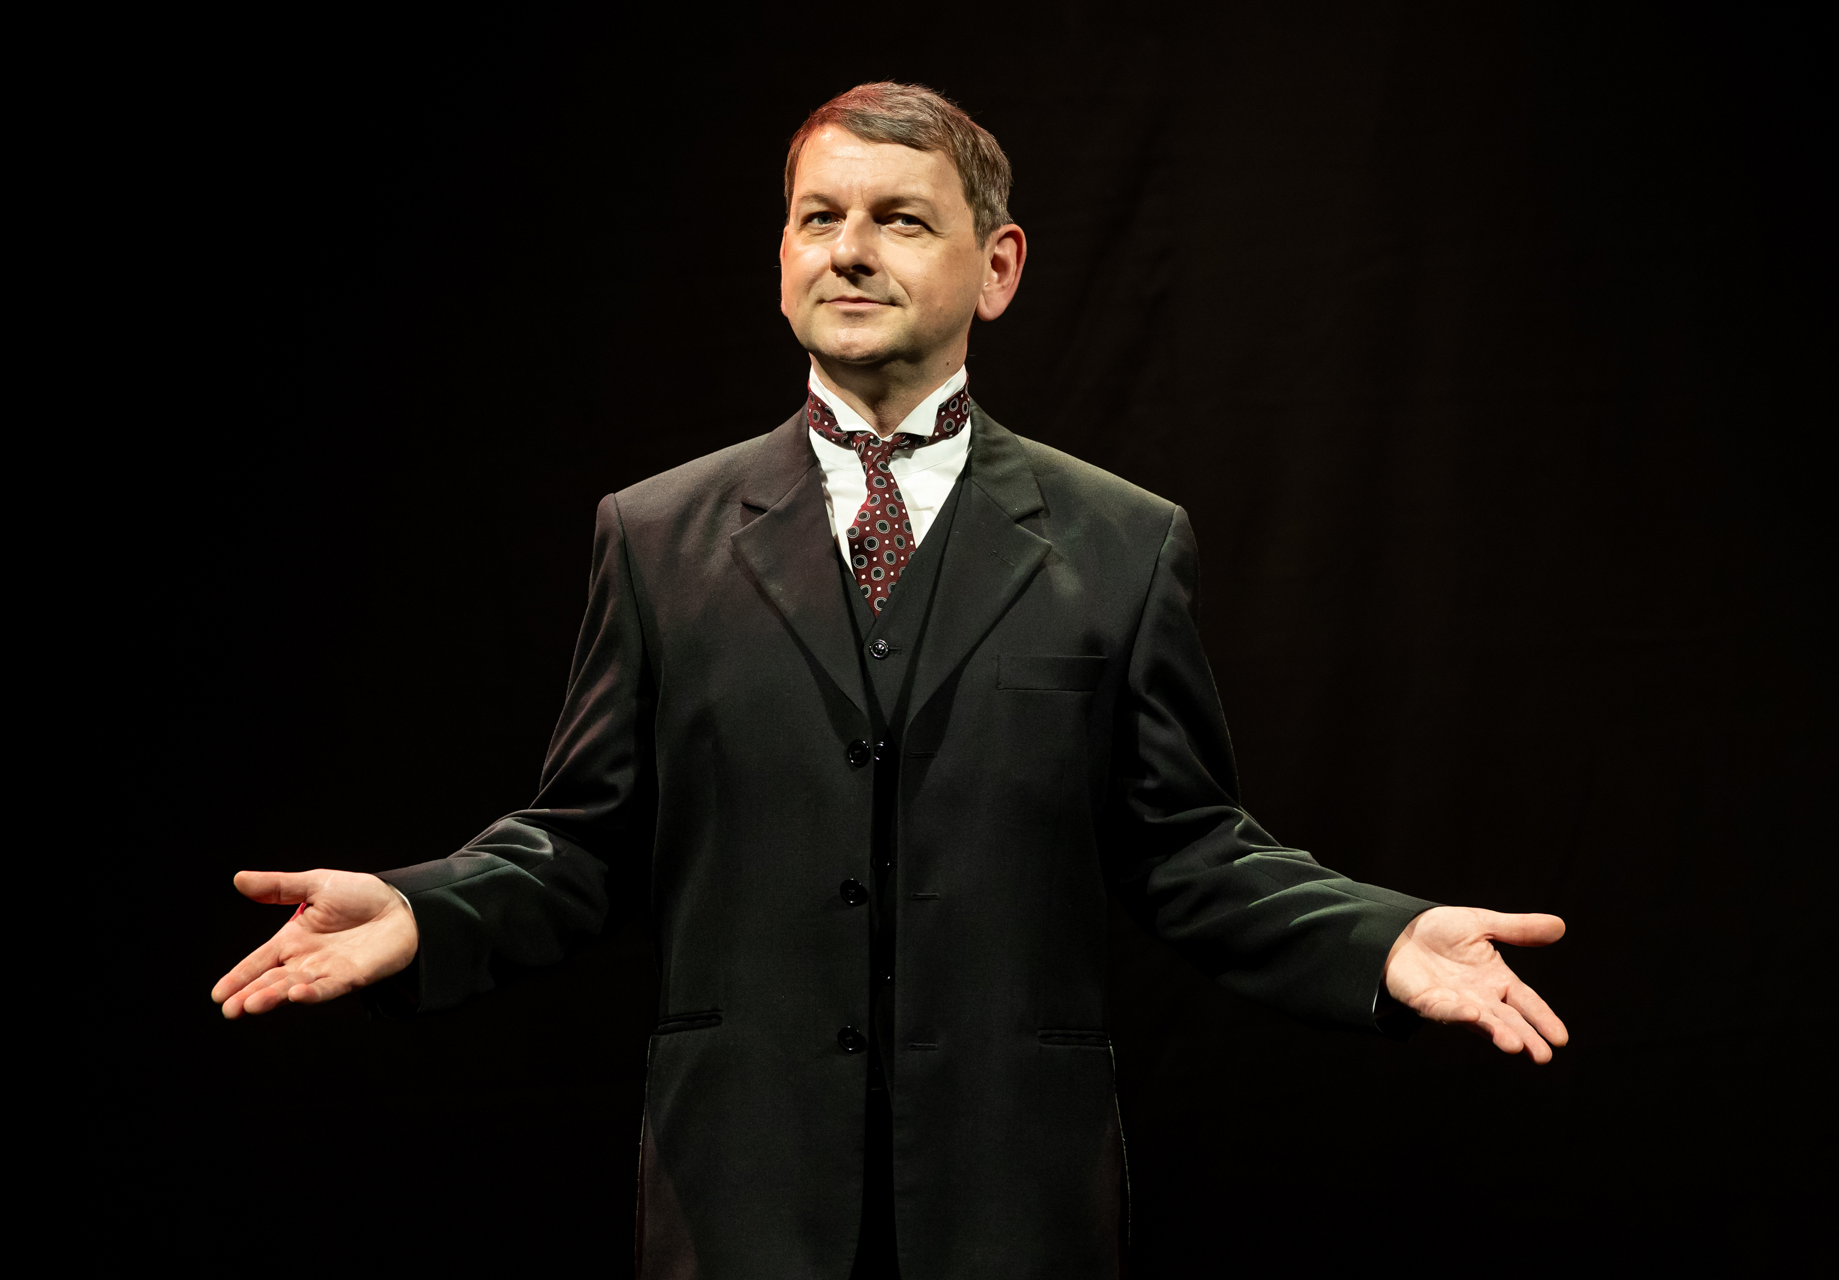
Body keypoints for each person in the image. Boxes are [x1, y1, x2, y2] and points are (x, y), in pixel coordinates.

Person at [212, 82, 1568, 1279]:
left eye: (900, 219)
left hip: (1010, 1196)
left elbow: (1187, 847)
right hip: (744, 1193)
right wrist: (424, 910)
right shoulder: (656, 534)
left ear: (999, 266)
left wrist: (1378, 939)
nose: (849, 249)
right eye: (819, 217)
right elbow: (586, 840)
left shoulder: (1122, 541)